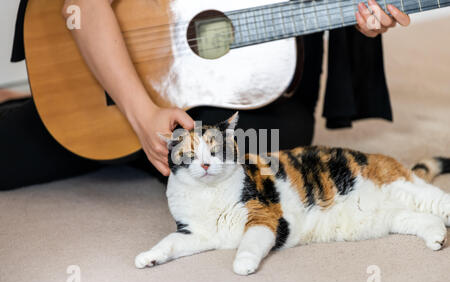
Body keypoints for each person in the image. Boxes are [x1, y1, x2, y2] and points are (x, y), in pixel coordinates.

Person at [0, 0, 410, 190]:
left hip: (263, 66)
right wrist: (142, 116)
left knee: (278, 145)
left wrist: (354, 13)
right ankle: (129, 131)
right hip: (101, 51)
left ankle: (144, 142)